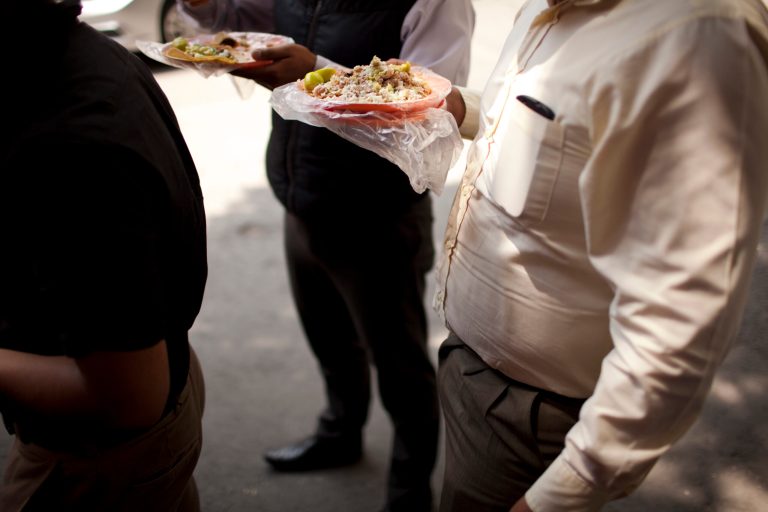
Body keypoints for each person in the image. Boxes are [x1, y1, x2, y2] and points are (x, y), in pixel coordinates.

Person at [436, 0, 768, 510]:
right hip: (475, 376)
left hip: (530, 416)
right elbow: (563, 133)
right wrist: (460, 107)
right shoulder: (551, 10)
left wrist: (561, 494)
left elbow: (683, 317)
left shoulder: (701, 29)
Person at [178, 1, 473, 510]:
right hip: (302, 196)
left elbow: (429, 109)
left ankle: (408, 493)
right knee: (331, 341)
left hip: (376, 216)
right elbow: (234, 21)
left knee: (400, 366)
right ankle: (340, 433)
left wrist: (315, 71)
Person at [0, 1, 208, 510]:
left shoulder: (70, 149)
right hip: (157, 404)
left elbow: (127, 399)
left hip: (99, 459)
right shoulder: (81, 52)